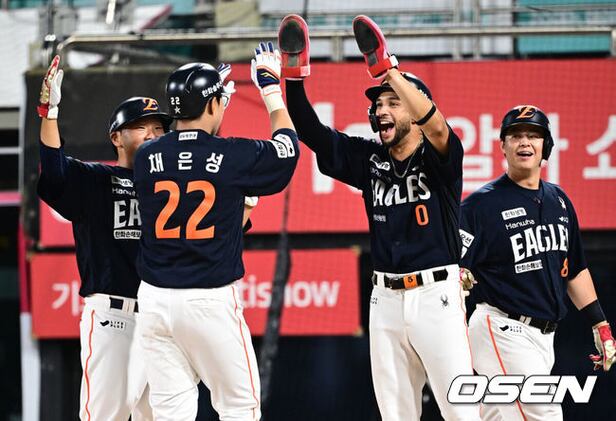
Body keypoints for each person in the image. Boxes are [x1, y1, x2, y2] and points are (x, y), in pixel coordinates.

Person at [279, 14, 480, 421]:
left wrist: (388, 70)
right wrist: (294, 75)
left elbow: (437, 127)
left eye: (392, 102)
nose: (381, 110)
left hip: (436, 297)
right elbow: (311, 131)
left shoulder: (440, 157)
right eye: (377, 104)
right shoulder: (369, 158)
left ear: (415, 111)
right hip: (384, 299)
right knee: (395, 414)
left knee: (461, 412)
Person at [133, 43, 299, 421]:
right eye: (219, 101)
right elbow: (287, 150)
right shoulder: (233, 155)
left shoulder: (146, 157)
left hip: (155, 302)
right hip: (208, 300)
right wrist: (271, 89)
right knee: (240, 409)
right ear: (210, 105)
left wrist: (212, 103)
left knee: (171, 413)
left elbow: (189, 167)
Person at [36, 55, 171, 420]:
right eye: (141, 127)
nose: (152, 134)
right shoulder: (97, 179)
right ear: (116, 137)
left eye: (159, 129)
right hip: (116, 318)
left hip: (163, 320)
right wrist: (49, 114)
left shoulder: (170, 189)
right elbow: (55, 175)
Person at [460, 105, 616, 420]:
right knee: (544, 414)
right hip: (501, 328)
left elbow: (574, 269)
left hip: (543, 338)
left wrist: (600, 324)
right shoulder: (480, 205)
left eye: (533, 135)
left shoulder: (559, 200)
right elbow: (450, 266)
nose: (525, 142)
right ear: (502, 146)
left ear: (547, 146)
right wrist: (459, 274)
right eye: (515, 135)